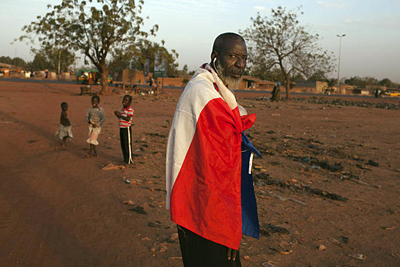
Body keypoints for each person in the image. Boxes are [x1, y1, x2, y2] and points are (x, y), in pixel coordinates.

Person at [166, 32, 261, 267]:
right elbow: (218, 170)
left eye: (244, 57)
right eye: (233, 56)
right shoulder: (203, 94)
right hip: (205, 207)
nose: (240, 63)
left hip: (205, 203)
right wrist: (227, 229)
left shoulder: (213, 87)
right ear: (215, 57)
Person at [114, 95, 134, 165]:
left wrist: (120, 115)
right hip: (121, 128)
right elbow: (121, 118)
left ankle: (129, 159)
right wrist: (117, 115)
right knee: (123, 144)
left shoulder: (130, 110)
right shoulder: (122, 109)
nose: (124, 102)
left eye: (126, 100)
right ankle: (125, 158)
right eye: (123, 100)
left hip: (126, 128)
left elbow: (128, 119)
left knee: (127, 144)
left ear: (130, 102)